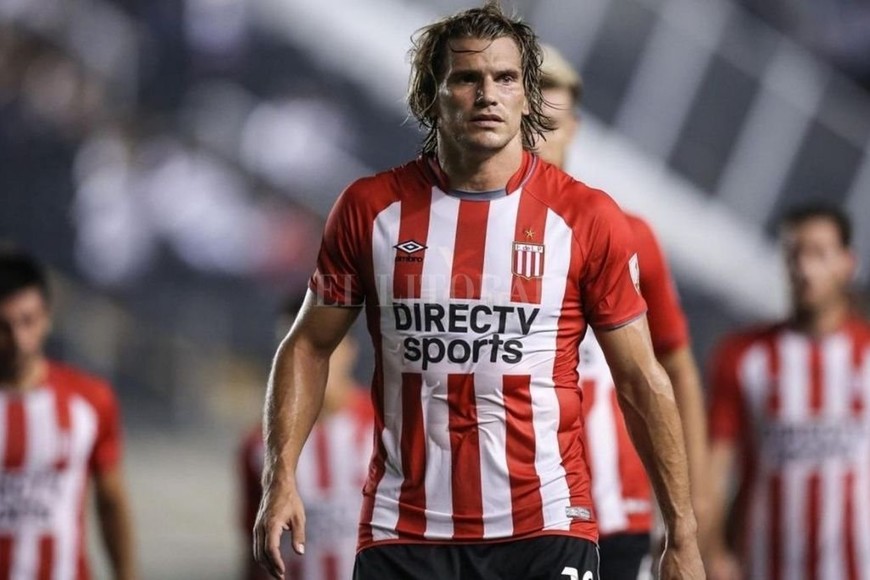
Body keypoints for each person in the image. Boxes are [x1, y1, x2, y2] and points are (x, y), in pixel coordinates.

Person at [253, 4, 704, 579]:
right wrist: (280, 475)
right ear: (430, 97)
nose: (488, 95)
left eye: (506, 78)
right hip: (405, 530)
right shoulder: (370, 209)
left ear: (528, 96)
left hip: (545, 528)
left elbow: (642, 379)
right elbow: (308, 345)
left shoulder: (587, 217)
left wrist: (682, 533)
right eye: (467, 78)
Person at [536, 45, 710, 579]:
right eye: (530, 120)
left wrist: (694, 502)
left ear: (574, 127)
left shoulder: (628, 234)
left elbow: (675, 366)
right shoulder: (471, 235)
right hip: (514, 513)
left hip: (616, 510)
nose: (538, 135)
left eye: (551, 121)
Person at [706, 205, 870, 580]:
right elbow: (714, 468)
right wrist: (713, 552)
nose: (805, 269)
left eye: (819, 254)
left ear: (847, 263)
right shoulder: (743, 356)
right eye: (795, 255)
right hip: (766, 565)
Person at [0, 250, 136, 580]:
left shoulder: (89, 400)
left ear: (47, 318)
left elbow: (111, 502)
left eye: (28, 321)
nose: (18, 339)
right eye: (3, 327)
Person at [239, 296, 372, 580]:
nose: (305, 363)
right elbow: (254, 551)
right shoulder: (259, 445)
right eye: (291, 351)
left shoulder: (386, 427)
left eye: (321, 346)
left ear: (350, 349)